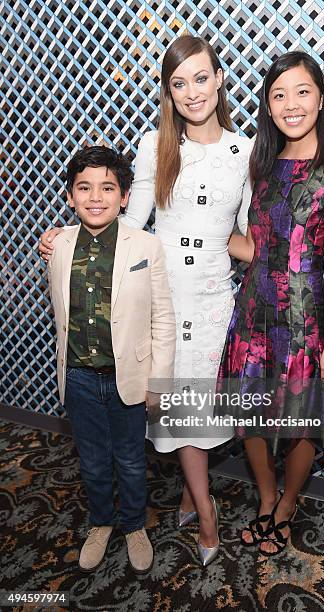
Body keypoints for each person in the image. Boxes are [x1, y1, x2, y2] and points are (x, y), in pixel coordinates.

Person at [39, 35, 253, 566]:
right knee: (170, 409)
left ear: (219, 79)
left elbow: (250, 237)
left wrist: (227, 244)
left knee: (196, 412)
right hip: (161, 298)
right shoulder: (153, 143)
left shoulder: (245, 152)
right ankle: (205, 509)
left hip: (210, 303)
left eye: (201, 78)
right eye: (178, 83)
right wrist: (69, 234)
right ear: (169, 91)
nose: (191, 92)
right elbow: (127, 223)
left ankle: (191, 497)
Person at [217, 51, 324, 556]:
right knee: (252, 416)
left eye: (301, 91)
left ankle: (288, 504)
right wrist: (198, 237)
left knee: (302, 424)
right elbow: (255, 246)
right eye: (278, 94)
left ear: (320, 98)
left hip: (304, 320)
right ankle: (265, 497)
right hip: (254, 311)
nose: (290, 104)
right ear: (268, 106)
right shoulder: (260, 164)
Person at [46, 146, 175, 573]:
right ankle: (101, 521)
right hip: (79, 376)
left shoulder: (146, 246)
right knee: (94, 459)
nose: (95, 197)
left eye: (107, 187)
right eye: (84, 188)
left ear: (124, 196)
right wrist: (50, 236)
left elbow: (162, 318)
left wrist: (158, 381)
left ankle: (135, 525)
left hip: (129, 376)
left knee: (131, 459)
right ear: (70, 195)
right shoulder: (59, 244)